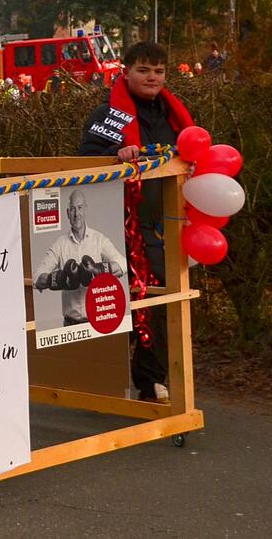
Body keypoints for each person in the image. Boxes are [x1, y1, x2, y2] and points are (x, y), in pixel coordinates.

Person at [78, 41, 194, 402]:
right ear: (125, 72)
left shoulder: (174, 114)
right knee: (128, 301)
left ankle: (150, 379)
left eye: (158, 71)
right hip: (119, 225)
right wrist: (117, 154)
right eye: (143, 70)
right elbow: (87, 159)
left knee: (162, 299)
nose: (152, 77)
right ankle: (109, 374)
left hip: (165, 222)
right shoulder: (108, 115)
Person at [32, 190, 127, 325]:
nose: (76, 214)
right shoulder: (60, 244)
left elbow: (123, 264)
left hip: (99, 320)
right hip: (71, 324)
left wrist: (99, 270)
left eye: (80, 208)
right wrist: (58, 279)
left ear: (85, 210)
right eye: (72, 209)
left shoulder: (99, 240)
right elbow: (36, 278)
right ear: (67, 213)